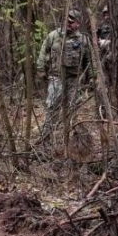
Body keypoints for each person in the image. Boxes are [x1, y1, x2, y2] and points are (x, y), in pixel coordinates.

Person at [36, 9, 92, 143]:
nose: (68, 23)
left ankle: (74, 138)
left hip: (74, 79)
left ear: (78, 23)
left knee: (74, 107)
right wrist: (40, 69)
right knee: (52, 107)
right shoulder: (54, 36)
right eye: (67, 20)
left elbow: (90, 60)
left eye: (72, 21)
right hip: (56, 77)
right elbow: (43, 52)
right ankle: (46, 137)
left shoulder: (83, 40)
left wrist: (92, 76)